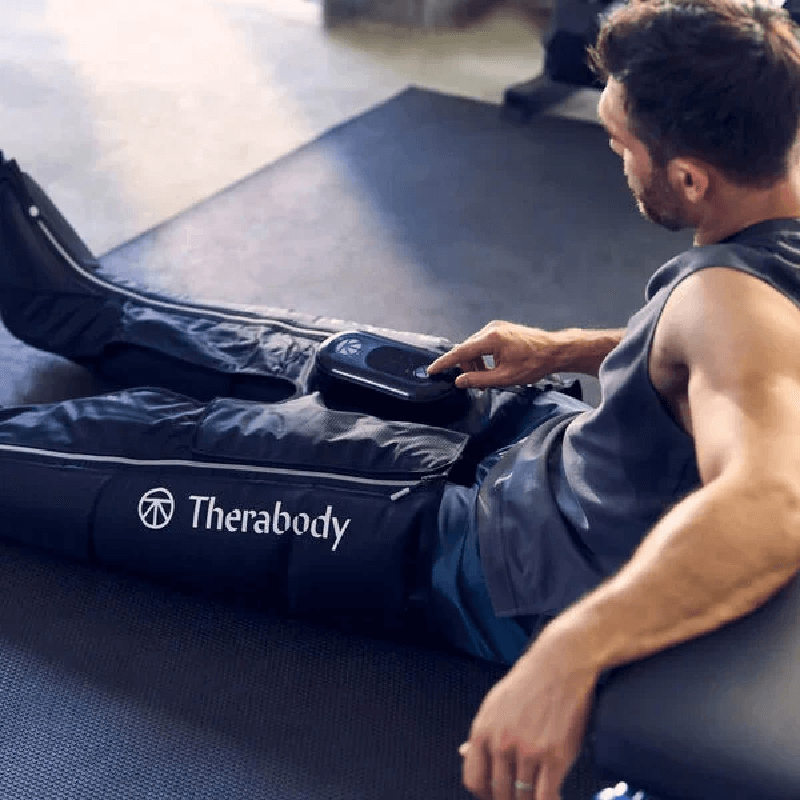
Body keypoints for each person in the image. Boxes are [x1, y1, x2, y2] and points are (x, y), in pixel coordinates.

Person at [0, 1, 799, 800]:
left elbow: (773, 500)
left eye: (622, 146)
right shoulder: (773, 225)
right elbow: (727, 358)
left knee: (184, 445)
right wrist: (571, 350)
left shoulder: (729, 309)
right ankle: (81, 302)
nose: (617, 162)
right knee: (313, 354)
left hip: (492, 556)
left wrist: (570, 654)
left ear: (691, 177)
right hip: (552, 445)